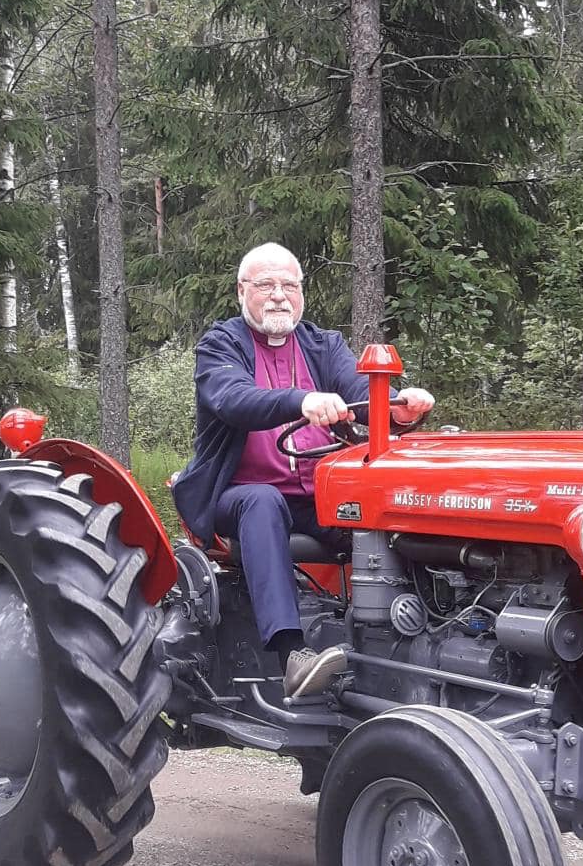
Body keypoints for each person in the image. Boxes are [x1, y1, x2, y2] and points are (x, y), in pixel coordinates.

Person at [172, 243, 434, 697]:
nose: (278, 296)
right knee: (262, 499)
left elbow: (361, 393)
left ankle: (415, 639)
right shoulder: (221, 344)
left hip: (316, 497)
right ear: (242, 291)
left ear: (301, 294)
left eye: (289, 286)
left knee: (384, 514)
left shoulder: (323, 344)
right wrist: (302, 400)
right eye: (266, 285)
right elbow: (234, 399)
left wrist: (400, 408)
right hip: (235, 495)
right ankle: (291, 653)